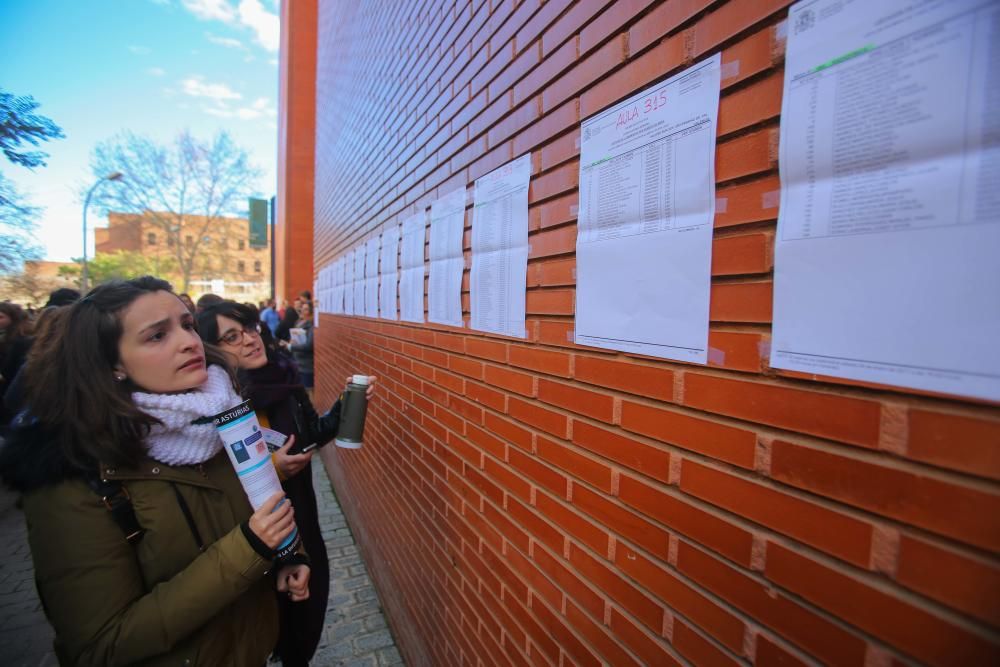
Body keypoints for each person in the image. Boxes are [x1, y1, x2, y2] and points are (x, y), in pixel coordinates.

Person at [0, 277, 309, 665]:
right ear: (111, 363)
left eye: (187, 324)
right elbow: (100, 645)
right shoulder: (72, 472)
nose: (188, 342)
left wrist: (288, 555)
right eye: (156, 336)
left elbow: (255, 511)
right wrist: (249, 550)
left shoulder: (219, 418)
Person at [196, 300, 376, 667]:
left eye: (249, 328)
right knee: (269, 627)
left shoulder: (285, 380)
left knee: (308, 619)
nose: (249, 340)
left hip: (303, 522)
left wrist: (346, 405)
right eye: (232, 337)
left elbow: (310, 436)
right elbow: (210, 488)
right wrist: (271, 470)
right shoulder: (217, 407)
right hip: (256, 540)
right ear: (212, 351)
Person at [289, 301, 314, 388]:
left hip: (307, 365)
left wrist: (291, 346)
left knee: (308, 390)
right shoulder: (299, 322)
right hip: (298, 362)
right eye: (302, 309)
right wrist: (293, 341)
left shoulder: (312, 326)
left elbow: (309, 345)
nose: (303, 311)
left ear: (312, 312)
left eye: (306, 309)